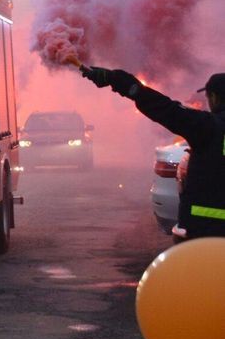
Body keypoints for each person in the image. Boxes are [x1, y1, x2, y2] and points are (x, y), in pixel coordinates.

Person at [82, 68, 225, 241]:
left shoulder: (209, 127)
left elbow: (165, 109)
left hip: (208, 232)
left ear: (215, 98)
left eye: (209, 97)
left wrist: (121, 82)